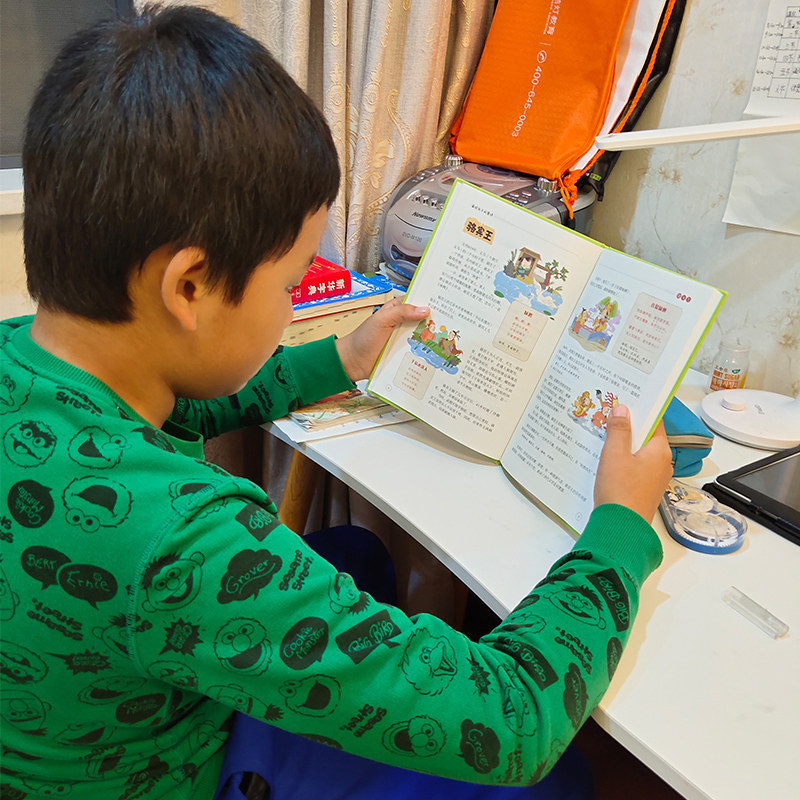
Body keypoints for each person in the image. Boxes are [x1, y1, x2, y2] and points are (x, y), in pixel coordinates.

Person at [0, 5, 673, 799]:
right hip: (174, 769)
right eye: (291, 285)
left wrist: (343, 358)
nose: (293, 302)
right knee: (557, 781)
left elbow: (183, 410)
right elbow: (514, 721)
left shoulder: (29, 352)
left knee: (356, 555)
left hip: (76, 714)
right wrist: (623, 526)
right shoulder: (182, 541)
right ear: (189, 286)